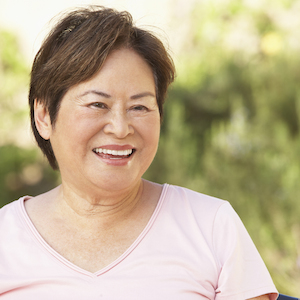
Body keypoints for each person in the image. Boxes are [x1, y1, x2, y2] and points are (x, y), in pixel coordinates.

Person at [0, 5, 278, 300]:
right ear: (44, 116)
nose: (121, 128)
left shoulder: (211, 226)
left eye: (139, 107)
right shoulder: (5, 238)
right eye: (97, 104)